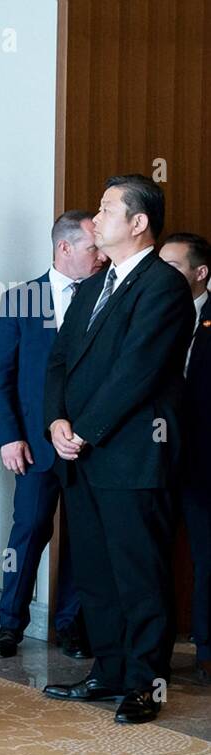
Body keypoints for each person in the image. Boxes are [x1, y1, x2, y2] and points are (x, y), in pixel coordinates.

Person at [42, 175, 194, 724]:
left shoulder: (163, 286)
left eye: (106, 209)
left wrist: (84, 429)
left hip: (131, 454)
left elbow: (138, 371)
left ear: (138, 223)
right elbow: (58, 361)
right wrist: (56, 420)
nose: (94, 220)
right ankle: (108, 671)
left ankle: (145, 683)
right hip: (81, 455)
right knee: (97, 570)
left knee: (139, 571)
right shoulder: (90, 287)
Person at [0, 210, 105, 658]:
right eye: (94, 249)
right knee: (29, 530)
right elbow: (1, 375)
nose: (102, 258)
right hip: (35, 446)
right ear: (65, 248)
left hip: (90, 445)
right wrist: (8, 437)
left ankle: (71, 625)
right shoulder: (21, 300)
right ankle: (10, 625)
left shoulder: (105, 295)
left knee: (83, 535)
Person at [158, 232, 211, 684]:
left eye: (172, 265)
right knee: (150, 553)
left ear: (200, 273)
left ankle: (206, 649)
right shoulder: (154, 313)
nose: (162, 274)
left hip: (203, 460)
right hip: (154, 457)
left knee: (205, 553)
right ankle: (152, 650)